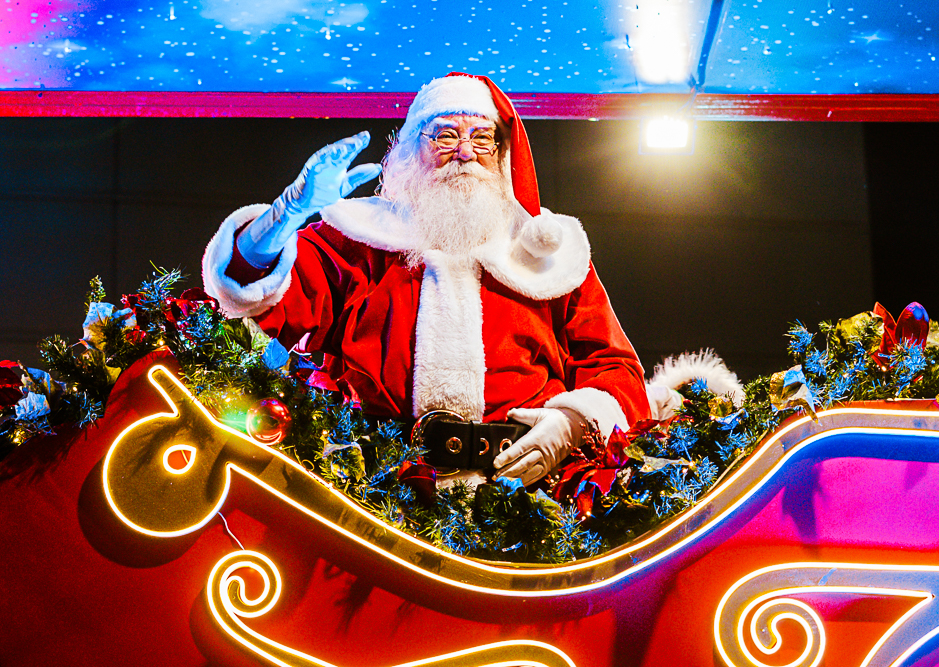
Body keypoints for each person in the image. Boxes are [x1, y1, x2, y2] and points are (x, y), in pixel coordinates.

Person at [203, 72, 650, 487]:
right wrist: (284, 217)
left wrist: (574, 422)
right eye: (445, 135)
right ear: (409, 149)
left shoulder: (548, 253)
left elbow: (617, 370)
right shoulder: (357, 240)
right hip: (374, 491)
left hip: (528, 494)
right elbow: (254, 301)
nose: (465, 152)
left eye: (482, 138)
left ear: (502, 153)